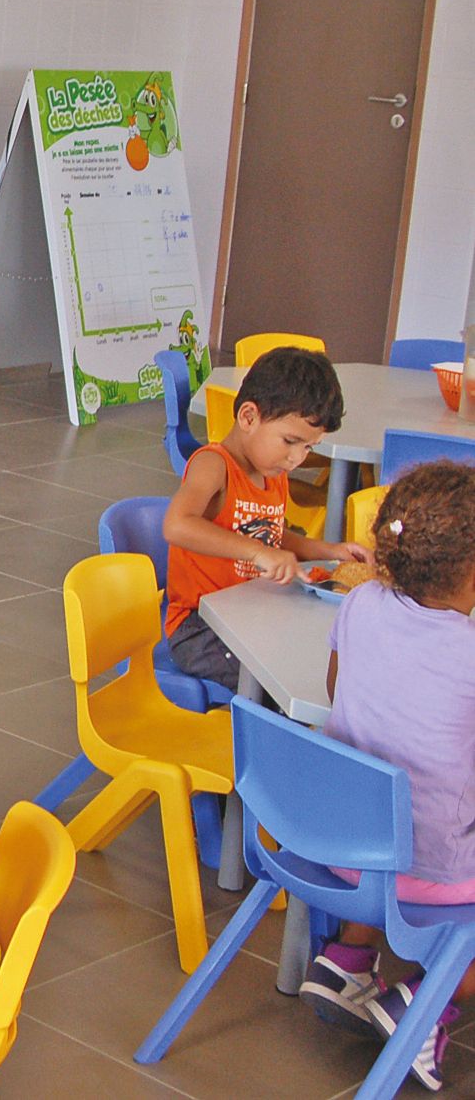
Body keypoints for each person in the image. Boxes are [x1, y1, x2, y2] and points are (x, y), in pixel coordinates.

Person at [302, 462, 475, 1091]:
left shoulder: (363, 604)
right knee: (433, 816)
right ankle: (424, 999)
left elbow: (333, 687)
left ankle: (346, 959)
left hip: (343, 850)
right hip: (427, 871)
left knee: (394, 797)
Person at [162, 346, 363, 683]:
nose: (297, 458)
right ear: (248, 417)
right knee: (284, 676)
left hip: (253, 614)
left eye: (309, 447)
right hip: (200, 628)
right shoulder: (215, 465)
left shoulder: (272, 474)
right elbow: (176, 525)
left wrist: (330, 551)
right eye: (290, 441)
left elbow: (269, 534)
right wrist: (259, 552)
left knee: (316, 654)